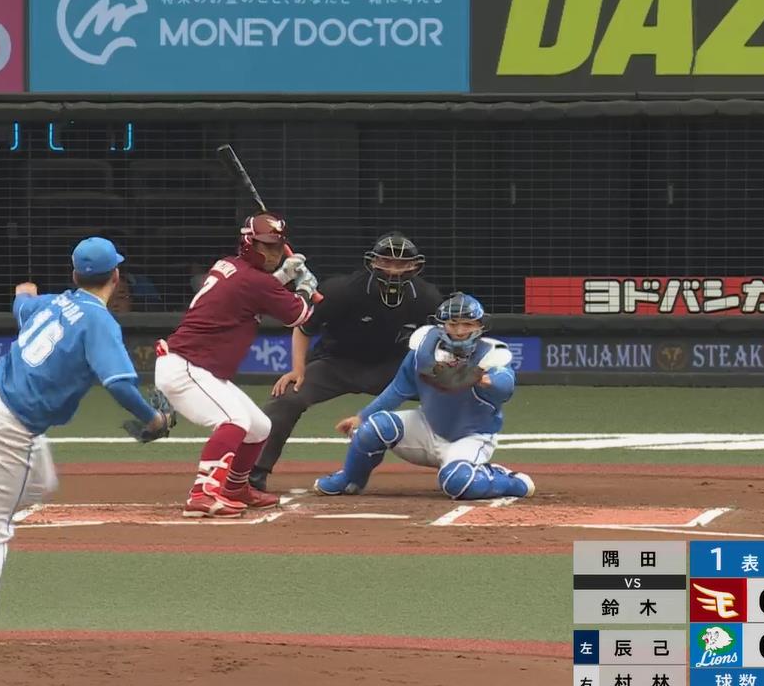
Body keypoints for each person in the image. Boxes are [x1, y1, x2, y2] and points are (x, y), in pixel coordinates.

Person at [0, 237, 174, 641]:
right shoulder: (98, 321)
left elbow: (22, 303)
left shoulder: (55, 302)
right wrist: (153, 418)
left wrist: (24, 291)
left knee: (40, 482)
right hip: (10, 423)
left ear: (75, 275)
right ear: (116, 276)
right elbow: (119, 384)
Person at [154, 212, 319, 518]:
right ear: (248, 243)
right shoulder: (254, 281)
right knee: (234, 421)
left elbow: (255, 293)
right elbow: (299, 314)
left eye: (277, 246)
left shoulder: (231, 266)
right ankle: (202, 493)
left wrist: (282, 277)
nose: (273, 253)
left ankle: (234, 487)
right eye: (265, 245)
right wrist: (306, 287)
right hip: (186, 367)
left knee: (259, 427)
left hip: (199, 367)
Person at [251, 231, 442, 491]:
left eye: (401, 264)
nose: (393, 270)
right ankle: (253, 473)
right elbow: (304, 328)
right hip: (336, 363)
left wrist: (444, 376)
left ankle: (462, 461)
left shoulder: (427, 297)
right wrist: (297, 369)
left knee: (451, 392)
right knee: (287, 397)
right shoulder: (342, 290)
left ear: (415, 266)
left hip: (393, 370)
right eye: (387, 262)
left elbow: (438, 339)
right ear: (372, 262)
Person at [312, 293, 535, 502]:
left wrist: (482, 379)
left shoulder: (491, 354)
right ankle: (350, 480)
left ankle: (510, 481)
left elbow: (505, 387)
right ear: (442, 325)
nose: (459, 331)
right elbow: (398, 389)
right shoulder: (423, 350)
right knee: (372, 429)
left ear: (479, 326)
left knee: (458, 482)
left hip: (470, 437)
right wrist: (362, 417)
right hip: (427, 426)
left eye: (467, 324)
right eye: (453, 324)